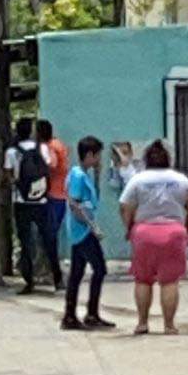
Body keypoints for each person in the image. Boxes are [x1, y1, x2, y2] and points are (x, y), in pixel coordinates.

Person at [120, 139, 188, 335]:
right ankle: (169, 325)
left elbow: (125, 206)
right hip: (173, 232)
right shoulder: (180, 179)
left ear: (146, 159)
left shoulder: (138, 180)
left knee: (143, 280)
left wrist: (130, 227)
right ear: (168, 159)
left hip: (144, 232)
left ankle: (142, 323)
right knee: (170, 281)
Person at [62, 137, 115, 332]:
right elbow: (74, 204)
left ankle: (70, 315)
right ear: (90, 155)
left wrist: (99, 173)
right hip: (82, 230)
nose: (100, 158)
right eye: (98, 155)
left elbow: (94, 199)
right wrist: (92, 226)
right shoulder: (77, 175)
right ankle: (90, 313)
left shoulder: (84, 175)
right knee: (99, 269)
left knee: (77, 273)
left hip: (81, 229)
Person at [5, 117, 63, 296]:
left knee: (25, 243)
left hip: (21, 202)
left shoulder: (12, 152)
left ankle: (29, 282)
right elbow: (47, 168)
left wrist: (17, 182)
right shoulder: (42, 148)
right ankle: (58, 278)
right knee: (49, 240)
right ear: (31, 131)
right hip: (42, 201)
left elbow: (8, 176)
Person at [37, 119, 70, 255]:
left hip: (53, 194)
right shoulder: (58, 144)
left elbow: (53, 163)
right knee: (52, 230)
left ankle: (50, 262)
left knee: (49, 231)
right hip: (60, 193)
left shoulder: (50, 146)